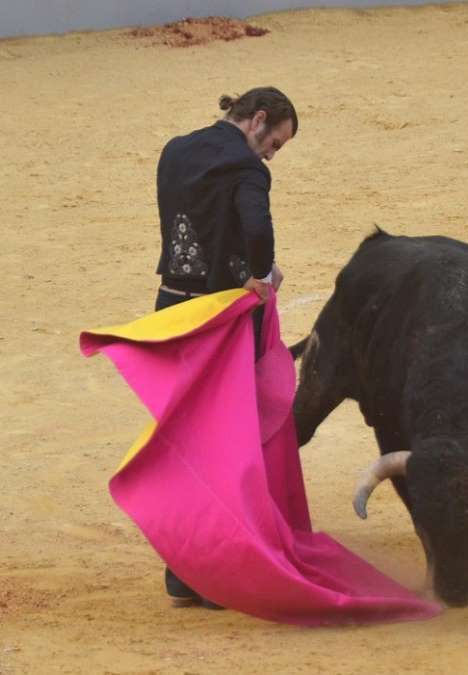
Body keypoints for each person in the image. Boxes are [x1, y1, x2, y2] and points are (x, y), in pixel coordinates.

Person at [151, 86, 298, 608]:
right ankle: (214, 569)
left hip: (172, 310)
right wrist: (260, 272)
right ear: (257, 119)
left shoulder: (175, 150)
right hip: (220, 321)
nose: (270, 155)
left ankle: (181, 569)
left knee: (186, 442)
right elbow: (255, 227)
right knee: (228, 443)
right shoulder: (247, 168)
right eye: (274, 143)